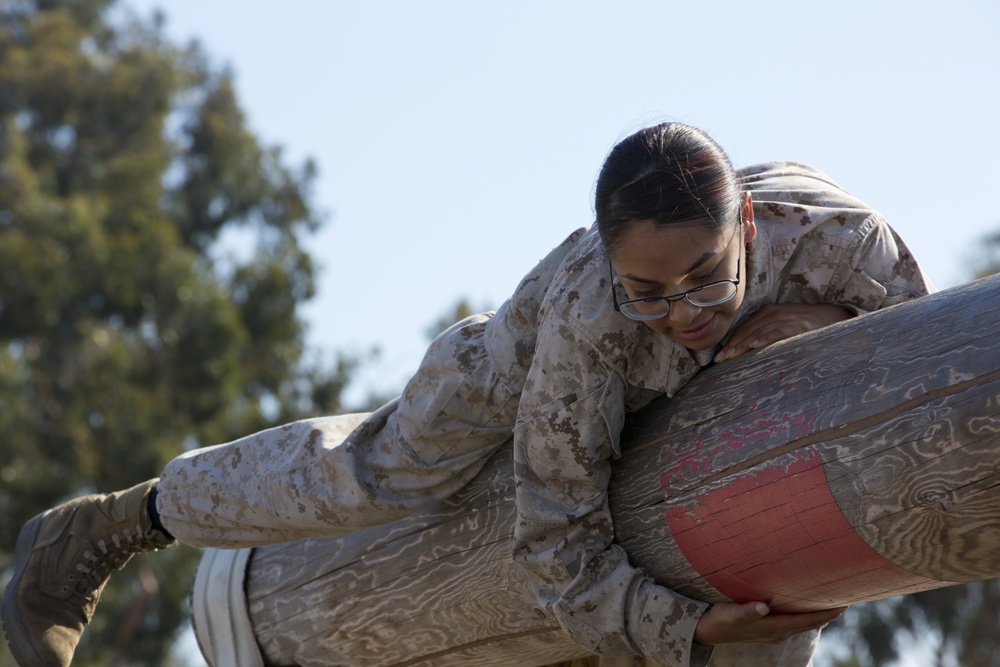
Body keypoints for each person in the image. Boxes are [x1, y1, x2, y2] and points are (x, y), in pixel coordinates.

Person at [1, 122, 933, 667]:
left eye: (704, 279)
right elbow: (556, 543)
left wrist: (805, 332)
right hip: (510, 376)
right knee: (376, 474)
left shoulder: (852, 253)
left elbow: (924, 387)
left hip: (745, 392)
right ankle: (110, 526)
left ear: (754, 228)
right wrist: (679, 625)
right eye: (647, 288)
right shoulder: (587, 325)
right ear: (610, 262)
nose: (679, 310)